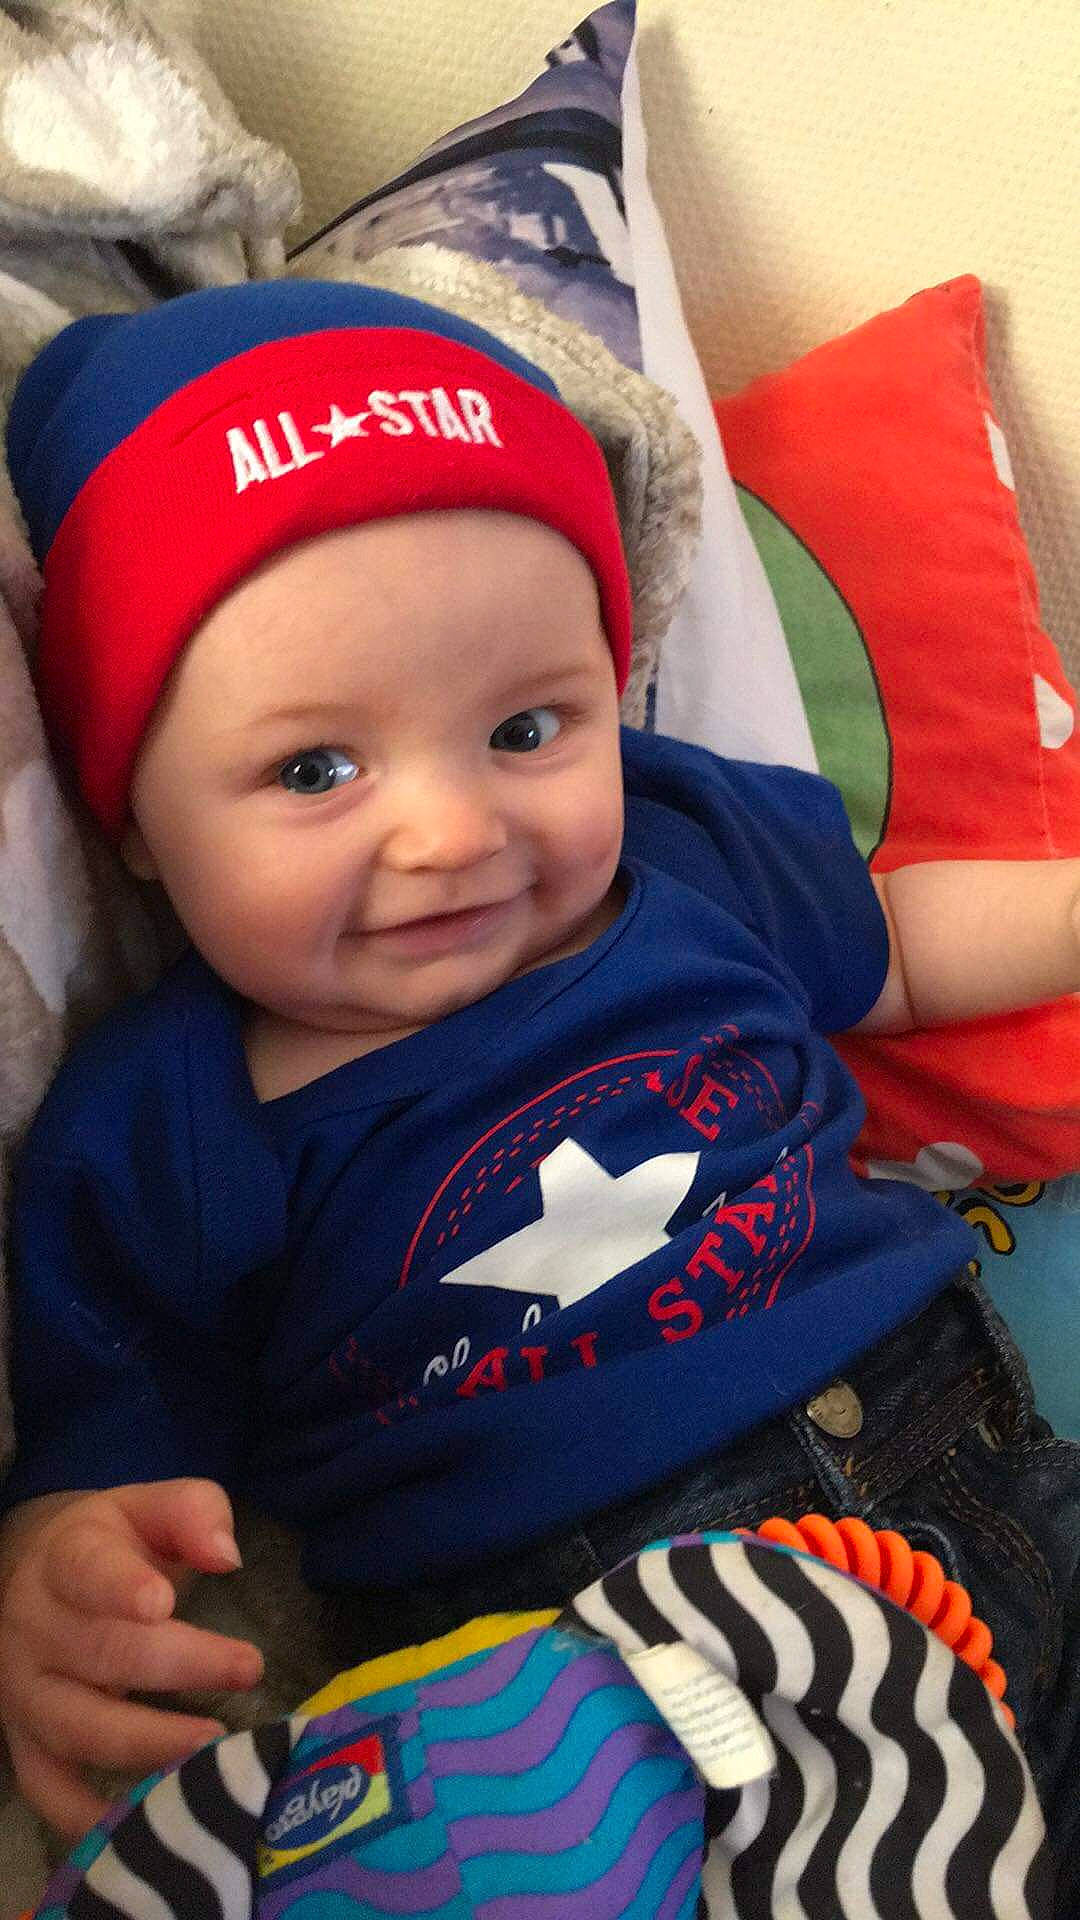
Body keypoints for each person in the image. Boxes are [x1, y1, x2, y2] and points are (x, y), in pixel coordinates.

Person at [0, 280, 1078, 1873]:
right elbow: (113, 1412)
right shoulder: (169, 1120)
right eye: (315, 769)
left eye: (526, 729)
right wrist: (63, 1555)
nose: (452, 832)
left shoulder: (682, 850)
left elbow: (899, 944)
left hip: (975, 1469)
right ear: (138, 825)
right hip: (588, 1686)